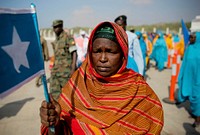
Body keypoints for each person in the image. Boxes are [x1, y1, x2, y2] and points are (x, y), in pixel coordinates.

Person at [40, 21, 164, 135]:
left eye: (111, 51)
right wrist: (54, 124)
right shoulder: (79, 82)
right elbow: (62, 130)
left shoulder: (140, 91)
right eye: (97, 51)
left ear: (123, 54)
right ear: (90, 52)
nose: (103, 58)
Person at [177, 32, 200, 128]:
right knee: (190, 94)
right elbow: (185, 62)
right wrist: (181, 74)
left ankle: (198, 119)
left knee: (197, 97)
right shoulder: (189, 48)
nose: (190, 39)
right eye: (190, 37)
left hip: (198, 78)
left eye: (193, 37)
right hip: (189, 77)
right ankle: (195, 114)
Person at [50, 20, 77, 100]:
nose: (54, 30)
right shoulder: (56, 40)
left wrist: (73, 69)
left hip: (65, 72)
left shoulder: (68, 37)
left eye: (56, 27)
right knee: (54, 94)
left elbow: (74, 53)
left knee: (68, 94)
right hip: (56, 72)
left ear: (61, 27)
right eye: (53, 27)